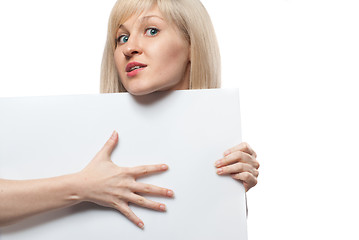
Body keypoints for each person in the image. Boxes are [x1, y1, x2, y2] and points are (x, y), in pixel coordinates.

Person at [0, 0, 259, 229]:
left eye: (152, 31)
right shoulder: (69, 125)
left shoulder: (216, 144)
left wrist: (232, 195)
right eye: (121, 38)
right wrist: (82, 187)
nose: (129, 47)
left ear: (192, 45)